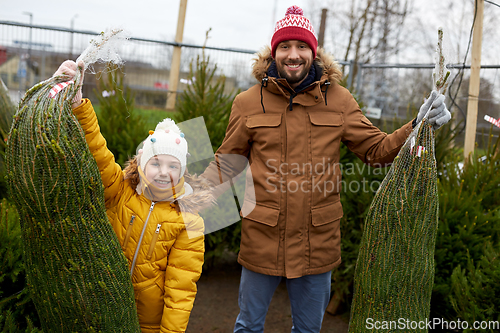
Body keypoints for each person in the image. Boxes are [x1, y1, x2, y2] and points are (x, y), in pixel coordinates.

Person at [200, 5, 451, 333]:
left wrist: (417, 124)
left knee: (307, 330)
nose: (294, 54)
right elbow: (226, 162)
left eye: (302, 46)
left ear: (313, 53)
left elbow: (377, 151)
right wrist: (182, 194)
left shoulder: (340, 101)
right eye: (285, 47)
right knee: (248, 327)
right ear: (273, 53)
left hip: (316, 244)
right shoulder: (248, 102)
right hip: (262, 238)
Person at [53, 61, 213, 333]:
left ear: (182, 171)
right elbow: (98, 153)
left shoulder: (189, 221)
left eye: (173, 166)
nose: (164, 173)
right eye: (155, 163)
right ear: (141, 164)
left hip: (147, 323)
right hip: (103, 307)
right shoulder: (121, 191)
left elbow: (181, 290)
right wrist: (79, 106)